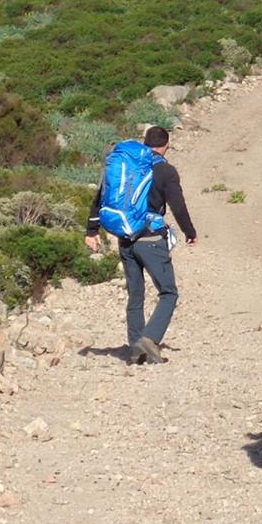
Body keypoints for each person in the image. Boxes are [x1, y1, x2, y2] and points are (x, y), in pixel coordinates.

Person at [87, 124, 198, 364]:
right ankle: (149, 339)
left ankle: (135, 349)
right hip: (150, 240)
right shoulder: (165, 171)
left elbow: (101, 196)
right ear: (166, 146)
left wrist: (91, 230)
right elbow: (178, 205)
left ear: (144, 143)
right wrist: (190, 232)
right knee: (168, 292)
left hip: (125, 239)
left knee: (135, 294)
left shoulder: (125, 166)